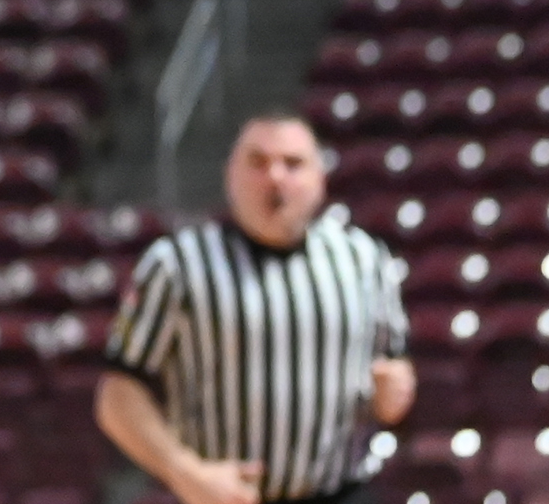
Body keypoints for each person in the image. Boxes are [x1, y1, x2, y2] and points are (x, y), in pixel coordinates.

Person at [97, 113, 413, 504]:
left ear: (320, 179)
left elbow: (394, 367)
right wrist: (183, 470)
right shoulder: (177, 265)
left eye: (293, 164)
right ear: (230, 175)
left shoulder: (364, 259)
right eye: (258, 162)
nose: (275, 178)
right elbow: (117, 394)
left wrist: (395, 389)